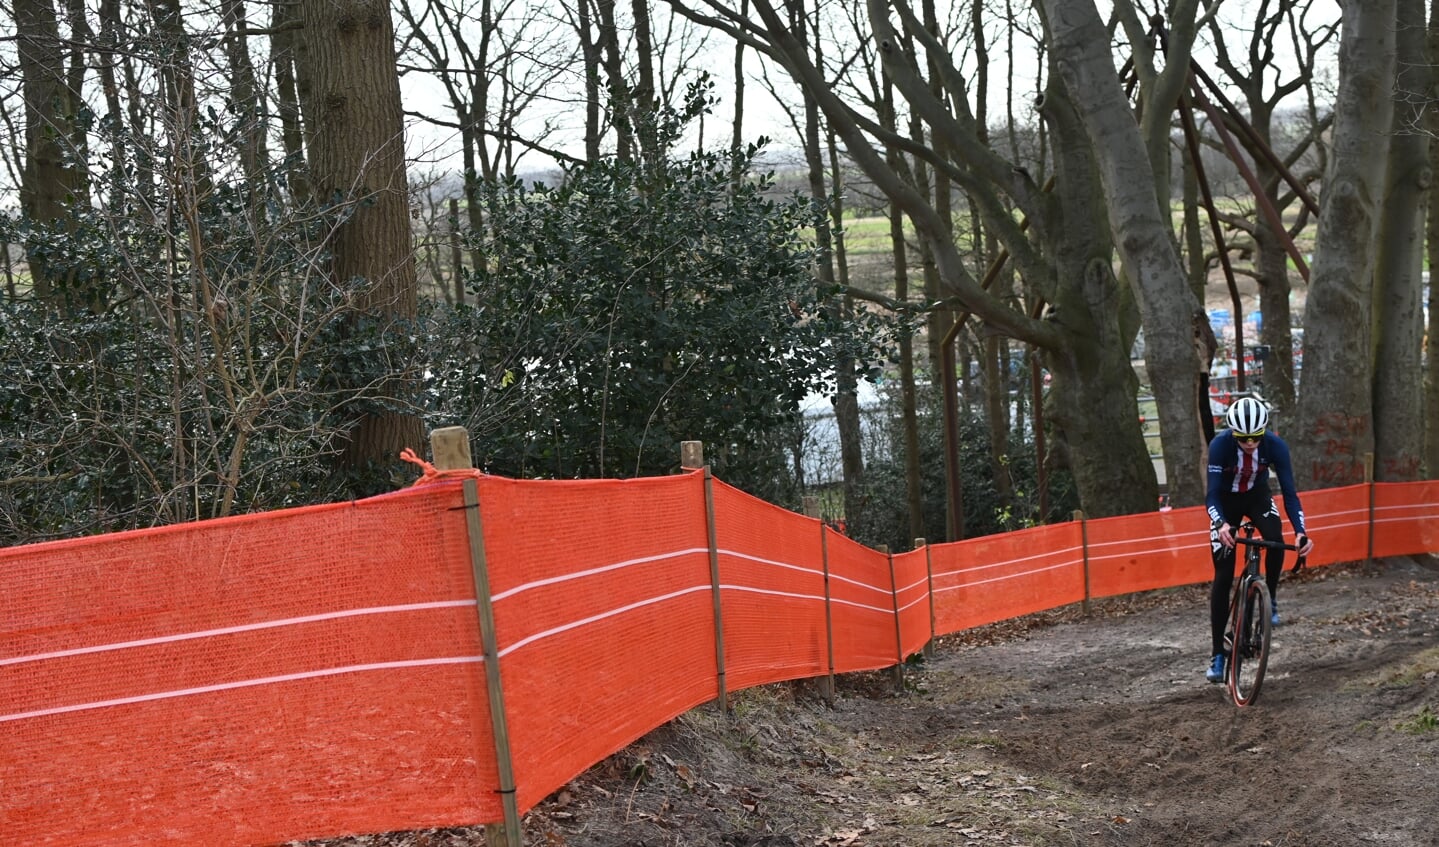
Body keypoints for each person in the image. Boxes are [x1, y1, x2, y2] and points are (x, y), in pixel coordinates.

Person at [1203, 395, 1315, 683]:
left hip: (1257, 497)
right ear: (1233, 433)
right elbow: (1212, 493)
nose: (1250, 443)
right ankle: (1217, 653)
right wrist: (1220, 524)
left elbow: (1290, 493)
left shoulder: (1275, 445)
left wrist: (1301, 531)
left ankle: (1271, 598)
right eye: (1243, 438)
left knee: (1276, 539)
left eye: (1256, 437)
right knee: (1223, 575)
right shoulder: (1220, 446)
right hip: (1226, 502)